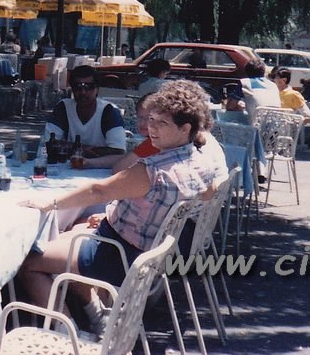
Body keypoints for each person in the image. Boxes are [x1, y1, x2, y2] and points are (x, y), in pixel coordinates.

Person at [15, 80, 228, 333]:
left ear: (185, 129)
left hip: (122, 254)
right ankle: (98, 316)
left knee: (27, 261)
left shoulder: (152, 170)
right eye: (151, 120)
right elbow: (204, 195)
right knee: (70, 232)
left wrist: (50, 203)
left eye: (162, 123)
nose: (152, 129)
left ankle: (67, 333)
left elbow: (98, 191)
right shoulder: (202, 162)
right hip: (155, 252)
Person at [42, 65, 127, 165]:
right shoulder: (63, 108)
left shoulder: (109, 111)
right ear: (72, 89)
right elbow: (48, 145)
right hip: (69, 167)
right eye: (78, 87)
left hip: (101, 169)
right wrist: (84, 149)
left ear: (97, 89)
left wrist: (72, 148)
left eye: (89, 87)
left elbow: (119, 152)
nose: (83, 92)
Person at [240, 59, 282, 124]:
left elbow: (230, 106)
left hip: (255, 125)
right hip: (275, 125)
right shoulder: (273, 85)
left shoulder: (244, 82)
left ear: (246, 72)